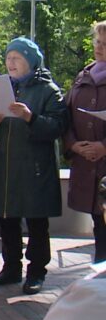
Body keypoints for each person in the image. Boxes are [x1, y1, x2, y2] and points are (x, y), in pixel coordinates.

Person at [0, 37, 67, 295]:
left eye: (16, 58)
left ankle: (36, 272)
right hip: (7, 167)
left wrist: (30, 117)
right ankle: (11, 267)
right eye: (8, 58)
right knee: (7, 219)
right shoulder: (3, 86)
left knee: (36, 222)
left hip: (34, 168)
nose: (10, 63)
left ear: (30, 61)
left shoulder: (48, 90)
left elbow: (57, 127)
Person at [65, 21, 106, 263]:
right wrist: (73, 144)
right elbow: (66, 114)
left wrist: (103, 146)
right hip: (87, 165)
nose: (99, 47)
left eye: (105, 44)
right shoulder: (84, 74)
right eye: (97, 42)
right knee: (98, 226)